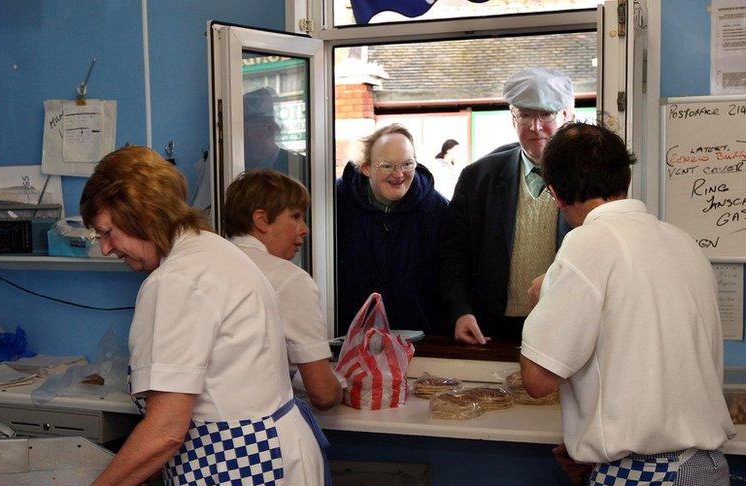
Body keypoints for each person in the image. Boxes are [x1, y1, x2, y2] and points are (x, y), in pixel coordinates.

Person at [27, 146, 333, 486]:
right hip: (264, 460)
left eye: (108, 232)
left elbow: (167, 429)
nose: (105, 248)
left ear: (146, 216)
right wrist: (136, 473)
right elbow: (213, 393)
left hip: (244, 477)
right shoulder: (212, 249)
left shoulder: (176, 280)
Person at [519, 123, 736, 486]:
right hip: (708, 475)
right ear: (625, 178)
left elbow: (537, 379)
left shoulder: (588, 244)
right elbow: (643, 356)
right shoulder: (681, 242)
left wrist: (546, 295)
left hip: (646, 485)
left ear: (556, 194)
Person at [439, 67, 575, 344]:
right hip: (491, 329)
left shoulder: (588, 178)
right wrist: (461, 311)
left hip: (565, 325)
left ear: (566, 115)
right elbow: (453, 254)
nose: (535, 127)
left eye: (545, 114)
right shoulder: (477, 178)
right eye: (524, 115)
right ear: (512, 118)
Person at [222, 168, 344, 410]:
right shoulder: (288, 279)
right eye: (296, 216)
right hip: (259, 433)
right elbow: (323, 394)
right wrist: (341, 389)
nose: (305, 229)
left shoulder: (203, 265)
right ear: (262, 220)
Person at [335, 123, 448, 335]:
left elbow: (452, 274)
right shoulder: (335, 204)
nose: (399, 174)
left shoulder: (437, 210)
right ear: (366, 168)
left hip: (418, 341)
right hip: (349, 341)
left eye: (407, 164)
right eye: (387, 166)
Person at [244, 86, 306, 184]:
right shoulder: (239, 167)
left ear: (268, 128)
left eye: (247, 129)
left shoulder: (300, 167)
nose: (243, 138)